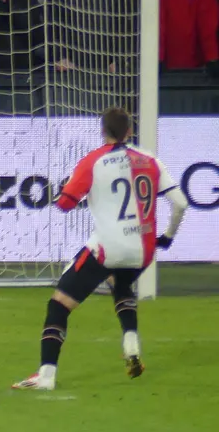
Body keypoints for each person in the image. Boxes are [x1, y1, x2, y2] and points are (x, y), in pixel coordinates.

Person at [12, 108, 188, 391]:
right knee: (120, 284)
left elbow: (66, 204)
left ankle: (46, 376)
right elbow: (181, 203)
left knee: (58, 305)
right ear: (130, 132)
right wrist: (167, 236)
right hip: (142, 250)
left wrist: (60, 195)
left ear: (103, 131)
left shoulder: (93, 161)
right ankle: (131, 344)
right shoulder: (151, 161)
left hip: (108, 247)